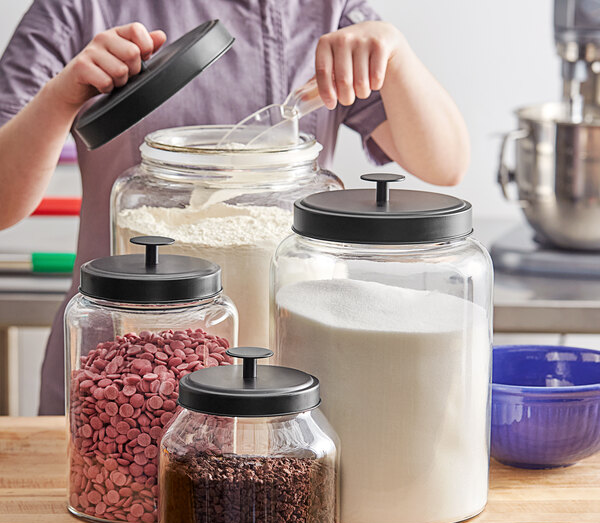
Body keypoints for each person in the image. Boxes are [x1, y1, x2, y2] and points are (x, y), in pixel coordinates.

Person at [0, 0, 469, 415]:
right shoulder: (75, 7)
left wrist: (396, 54)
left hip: (286, 365)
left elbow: (445, 163)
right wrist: (62, 96)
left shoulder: (322, 10)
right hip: (122, 367)